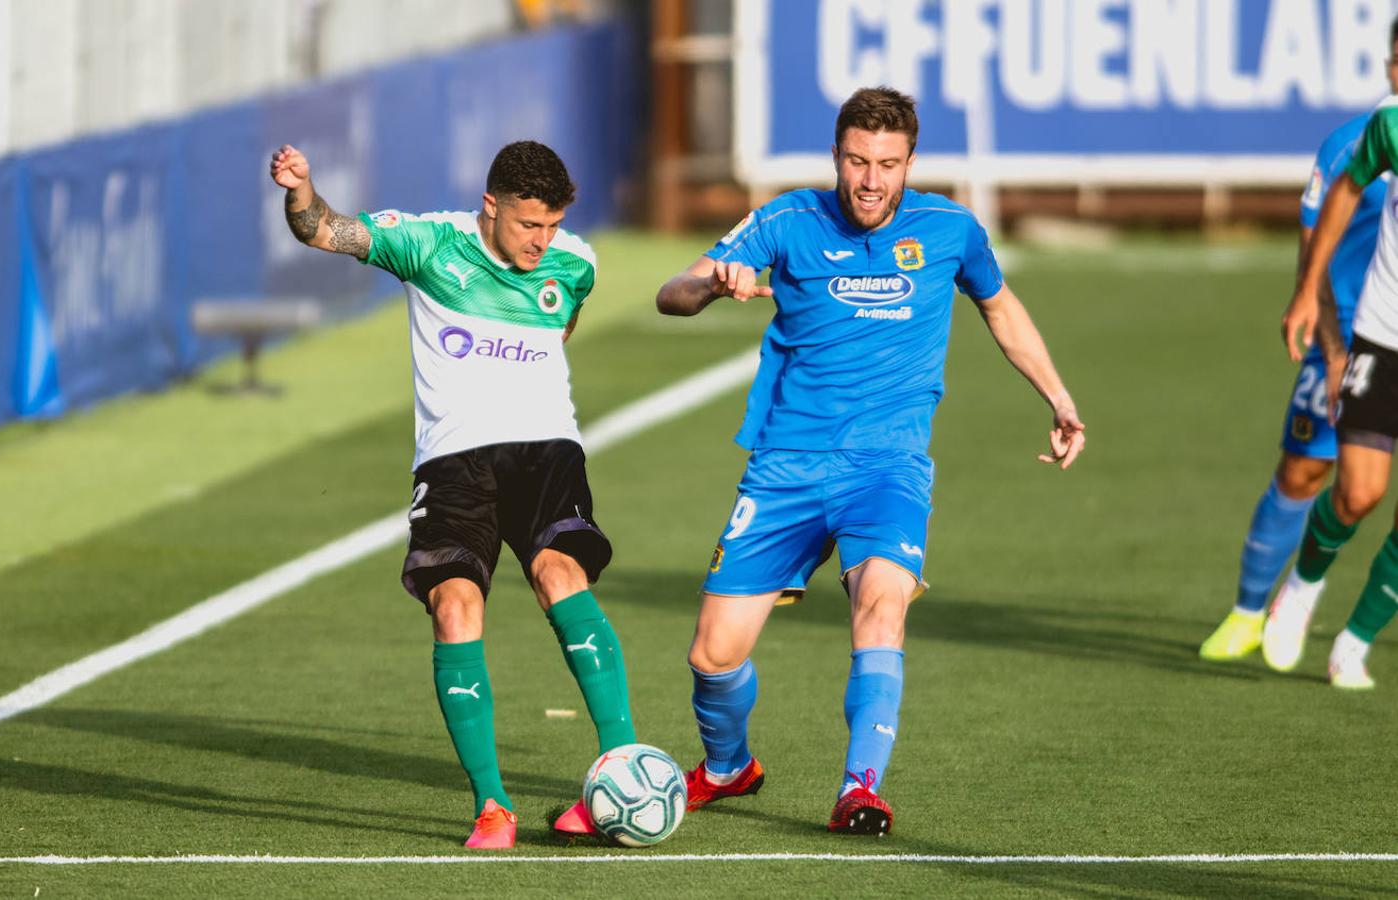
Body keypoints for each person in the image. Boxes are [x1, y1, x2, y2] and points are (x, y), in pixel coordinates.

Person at [653, 86, 1085, 835]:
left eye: (887, 164)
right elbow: (672, 294)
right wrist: (712, 285)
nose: (871, 180)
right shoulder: (787, 219)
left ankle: (861, 788)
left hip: (887, 469)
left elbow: (1000, 307)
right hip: (785, 465)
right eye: (857, 160)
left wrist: (1058, 397)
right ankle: (728, 767)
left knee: (880, 608)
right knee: (713, 654)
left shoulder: (950, 229)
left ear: (910, 161)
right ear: (836, 156)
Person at [271, 140, 636, 847]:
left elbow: (562, 325)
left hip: (546, 450)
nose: (544, 241)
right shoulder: (428, 243)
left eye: (554, 225)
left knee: (560, 575)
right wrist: (300, 190)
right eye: (531, 225)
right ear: (491, 207)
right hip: (454, 464)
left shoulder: (577, 263)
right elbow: (322, 228)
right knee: (454, 606)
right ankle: (493, 806)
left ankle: (617, 773)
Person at [1198, 37, 1397, 663]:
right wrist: (1332, 345)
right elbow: (1318, 241)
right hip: (1355, 332)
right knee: (1311, 470)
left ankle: (1354, 641)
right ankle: (1250, 610)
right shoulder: (1357, 140)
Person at [1267, 33, 1398, 689]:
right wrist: (1306, 292)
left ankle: (1355, 639)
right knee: (1358, 492)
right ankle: (1303, 583)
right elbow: (1345, 195)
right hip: (1386, 333)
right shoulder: (1391, 129)